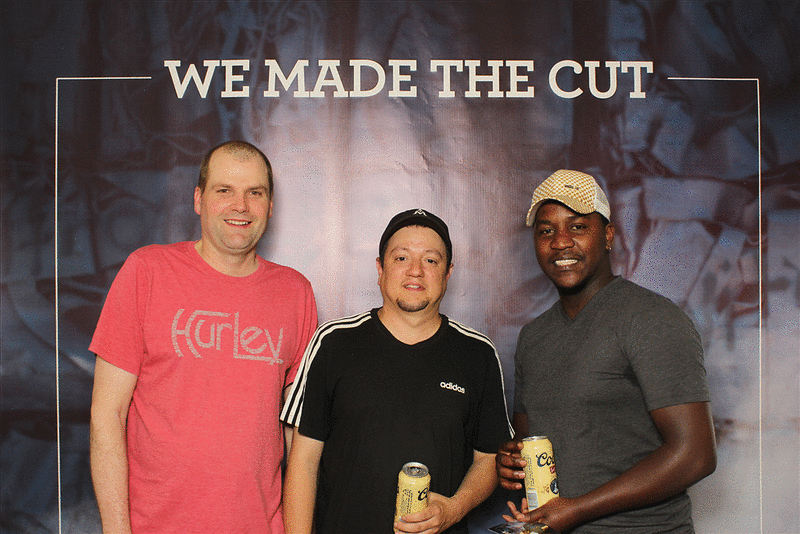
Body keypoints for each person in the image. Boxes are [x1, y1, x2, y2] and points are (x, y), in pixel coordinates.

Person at [89, 140, 318, 534]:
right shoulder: (147, 271)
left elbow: (298, 435)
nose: (240, 206)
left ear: (270, 205)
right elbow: (106, 416)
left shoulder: (295, 292)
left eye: (254, 193)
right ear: (198, 199)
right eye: (224, 190)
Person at [496, 169, 717, 533]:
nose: (561, 242)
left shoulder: (651, 318)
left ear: (609, 236)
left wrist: (578, 509)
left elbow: (695, 455)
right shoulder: (533, 337)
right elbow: (530, 441)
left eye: (578, 227)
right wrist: (510, 459)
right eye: (546, 230)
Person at [281, 208, 513, 534]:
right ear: (380, 268)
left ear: (448, 273)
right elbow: (303, 462)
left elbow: (488, 459)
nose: (415, 271)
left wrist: (455, 507)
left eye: (431, 261)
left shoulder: (478, 354)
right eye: (401, 258)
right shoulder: (334, 342)